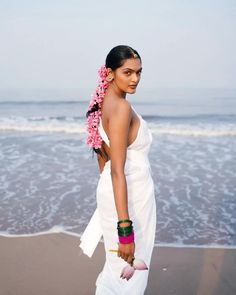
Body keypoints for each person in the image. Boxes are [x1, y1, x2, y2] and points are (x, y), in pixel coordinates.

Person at [80, 45, 156, 294]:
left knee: (117, 271)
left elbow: (104, 161)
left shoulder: (103, 103)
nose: (135, 79)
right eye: (128, 72)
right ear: (110, 73)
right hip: (130, 199)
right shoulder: (121, 108)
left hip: (115, 195)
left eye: (139, 72)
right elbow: (116, 171)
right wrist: (125, 229)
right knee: (131, 275)